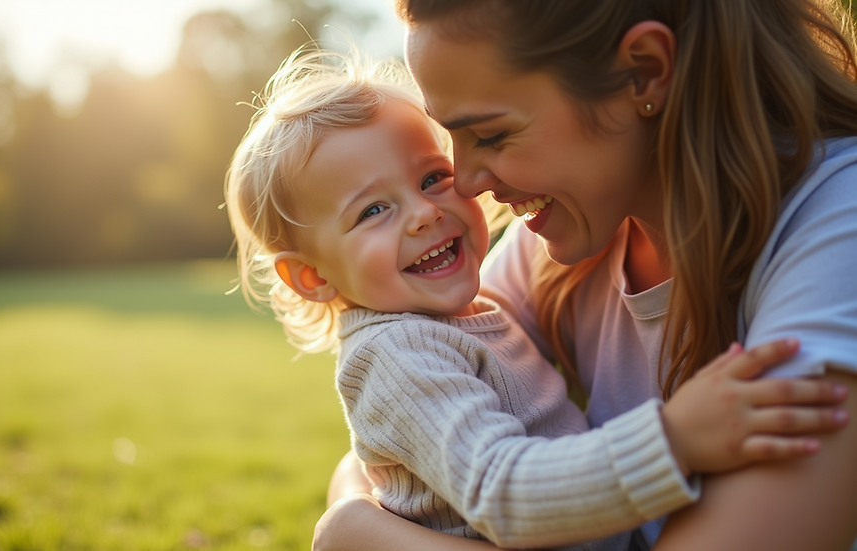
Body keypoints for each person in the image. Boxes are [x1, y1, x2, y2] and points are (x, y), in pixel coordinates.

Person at [224, 47, 849, 550]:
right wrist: (674, 439)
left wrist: (354, 533)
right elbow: (501, 488)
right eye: (374, 209)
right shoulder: (397, 353)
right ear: (312, 278)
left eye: (431, 177)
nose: (426, 212)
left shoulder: (465, 315)